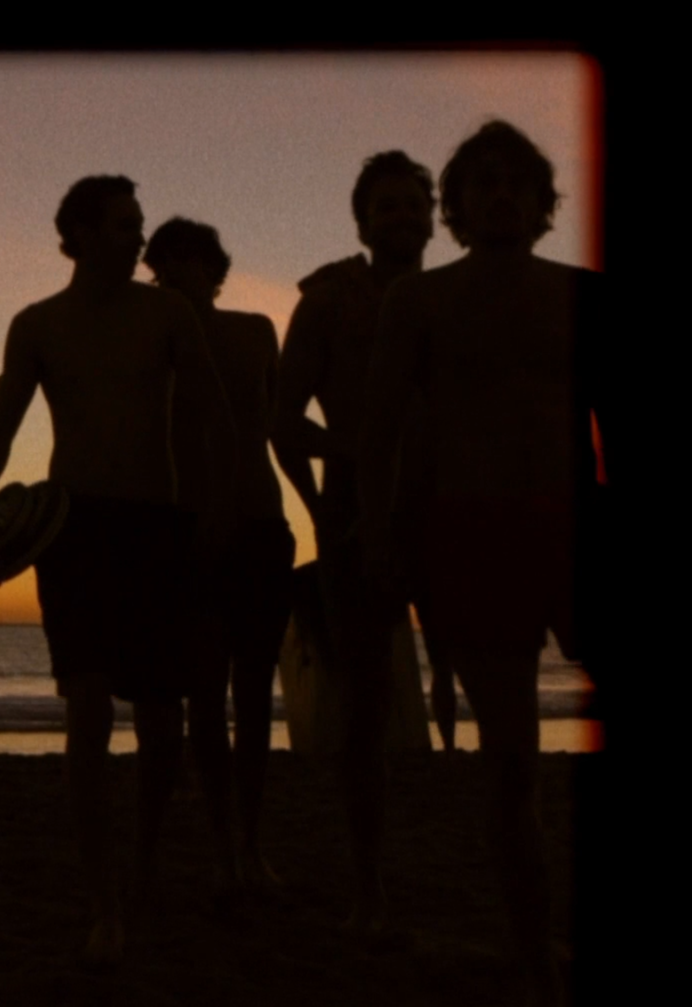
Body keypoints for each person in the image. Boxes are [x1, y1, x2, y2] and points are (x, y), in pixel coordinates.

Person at [0, 176, 235, 962]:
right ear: (77, 234)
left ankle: (143, 862)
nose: (137, 239)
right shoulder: (37, 324)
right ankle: (104, 900)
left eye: (139, 225)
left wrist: (212, 513)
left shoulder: (169, 314)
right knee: (85, 714)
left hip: (159, 526)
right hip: (75, 529)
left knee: (159, 724)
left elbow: (209, 416)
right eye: (121, 226)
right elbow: (2, 428)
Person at [358, 120, 596, 1007]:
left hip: (576, 531)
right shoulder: (418, 304)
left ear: (544, 204)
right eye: (481, 184)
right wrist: (378, 536)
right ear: (451, 209)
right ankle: (534, 956)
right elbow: (378, 432)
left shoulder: (580, 296)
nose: (500, 194)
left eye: (518, 182)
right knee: (510, 768)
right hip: (469, 539)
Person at [273, 150, 438, 940]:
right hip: (350, 515)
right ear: (363, 221)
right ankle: (368, 885)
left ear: (433, 217)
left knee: (482, 688)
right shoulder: (330, 298)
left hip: (451, 507)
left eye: (414, 205)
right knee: (366, 710)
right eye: (387, 207)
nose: (402, 218)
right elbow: (283, 417)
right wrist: (346, 470)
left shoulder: (453, 297)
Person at [142, 217, 293, 894]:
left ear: (214, 267)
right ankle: (222, 847)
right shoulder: (151, 342)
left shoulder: (256, 329)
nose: (174, 275)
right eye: (162, 266)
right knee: (204, 697)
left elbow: (282, 424)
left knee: (256, 695)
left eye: (187, 263)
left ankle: (253, 842)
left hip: (261, 522)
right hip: (187, 530)